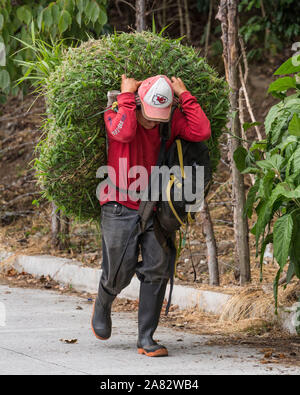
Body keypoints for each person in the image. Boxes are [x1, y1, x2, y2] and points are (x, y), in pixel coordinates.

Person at [91, 74, 211, 357]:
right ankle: (104, 301)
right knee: (120, 270)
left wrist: (184, 95)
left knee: (158, 267)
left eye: (160, 116)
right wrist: (125, 96)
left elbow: (201, 130)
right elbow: (124, 133)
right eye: (149, 114)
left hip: (154, 204)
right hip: (118, 202)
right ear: (137, 103)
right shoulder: (118, 113)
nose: (153, 122)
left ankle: (146, 337)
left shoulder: (167, 121)